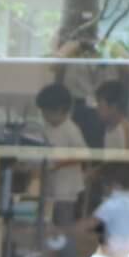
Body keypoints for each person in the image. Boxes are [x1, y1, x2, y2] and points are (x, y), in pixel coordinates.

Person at [35, 82, 89, 225]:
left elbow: (83, 154)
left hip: (67, 190)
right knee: (53, 224)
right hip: (53, 187)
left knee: (65, 226)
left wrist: (58, 164)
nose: (44, 116)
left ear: (59, 110)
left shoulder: (70, 129)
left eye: (46, 113)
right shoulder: (48, 127)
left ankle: (68, 247)